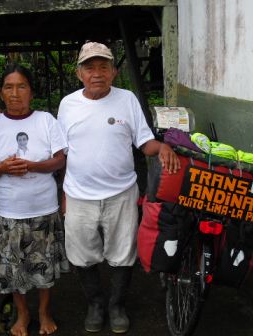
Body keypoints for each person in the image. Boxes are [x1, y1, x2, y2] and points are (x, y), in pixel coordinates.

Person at [57, 41, 181, 334]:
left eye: (103, 67)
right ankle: (96, 303)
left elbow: (143, 141)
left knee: (123, 252)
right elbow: (62, 152)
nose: (96, 73)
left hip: (121, 194)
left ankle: (116, 305)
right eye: (90, 67)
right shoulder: (67, 104)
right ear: (79, 74)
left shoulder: (127, 100)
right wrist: (62, 193)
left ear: (113, 72)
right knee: (81, 254)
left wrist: (162, 147)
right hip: (78, 196)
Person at [0, 64, 67, 336]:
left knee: (44, 265)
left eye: (22, 86)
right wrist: (1, 169)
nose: (15, 93)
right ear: (1, 92)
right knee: (14, 268)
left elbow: (60, 160)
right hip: (9, 210)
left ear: (31, 91)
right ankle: (23, 313)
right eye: (9, 87)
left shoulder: (46, 120)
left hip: (43, 206)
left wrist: (33, 166)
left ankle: (44, 312)